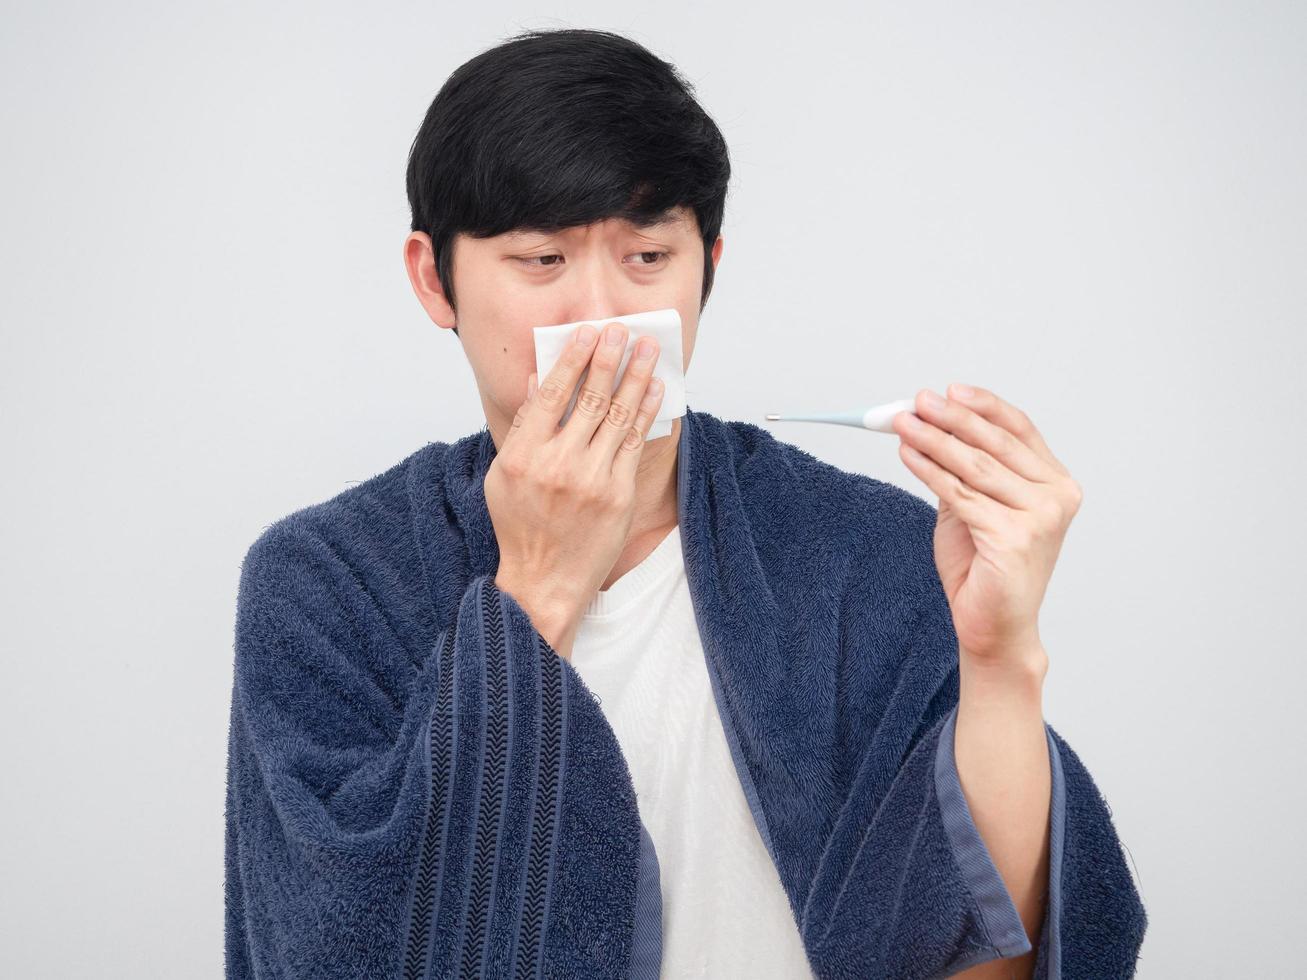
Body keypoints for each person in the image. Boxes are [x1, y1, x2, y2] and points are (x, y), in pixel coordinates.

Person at [225, 28, 1146, 980]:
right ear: (434, 278)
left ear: (708, 265)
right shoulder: (325, 581)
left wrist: (1001, 662)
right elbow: (336, 945)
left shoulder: (863, 552)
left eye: (647, 256)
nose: (600, 316)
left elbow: (983, 960)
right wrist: (535, 589)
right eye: (541, 260)